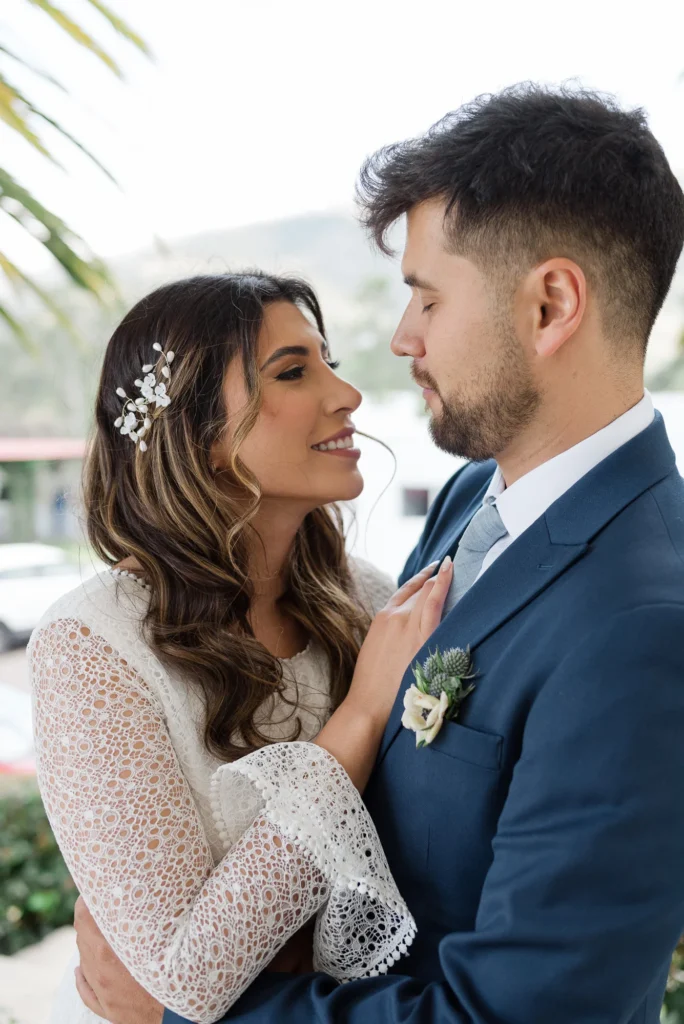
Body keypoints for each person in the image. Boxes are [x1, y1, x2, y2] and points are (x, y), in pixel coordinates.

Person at [73, 83, 684, 1024]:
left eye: (427, 298)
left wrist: (178, 1017)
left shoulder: (642, 625)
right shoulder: (471, 499)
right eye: (295, 368)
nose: (393, 347)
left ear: (552, 304)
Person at [29, 272, 455, 1023]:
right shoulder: (90, 649)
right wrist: (356, 720)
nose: (346, 393)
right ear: (200, 437)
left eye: (328, 361)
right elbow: (188, 978)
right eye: (294, 371)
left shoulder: (368, 599)